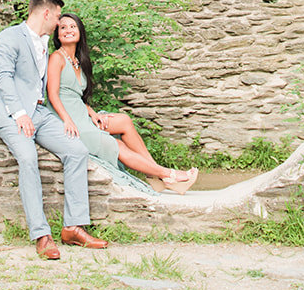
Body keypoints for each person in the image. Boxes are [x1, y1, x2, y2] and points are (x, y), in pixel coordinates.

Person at [0, 0, 108, 260]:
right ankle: (42, 235)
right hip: (11, 115)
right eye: (56, 17)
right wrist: (19, 114)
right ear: (45, 13)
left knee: (76, 151)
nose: (58, 23)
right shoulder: (9, 38)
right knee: (29, 159)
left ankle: (73, 227)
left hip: (40, 113)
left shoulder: (43, 42)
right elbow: (4, 79)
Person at [47, 12, 198, 193]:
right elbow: (53, 95)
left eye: (73, 26)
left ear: (80, 31)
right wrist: (67, 120)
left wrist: (92, 113)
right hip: (69, 120)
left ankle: (155, 175)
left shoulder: (78, 61)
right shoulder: (56, 58)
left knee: (124, 121)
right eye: (63, 27)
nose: (68, 30)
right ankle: (168, 175)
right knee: (116, 145)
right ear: (57, 35)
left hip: (81, 114)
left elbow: (74, 94)